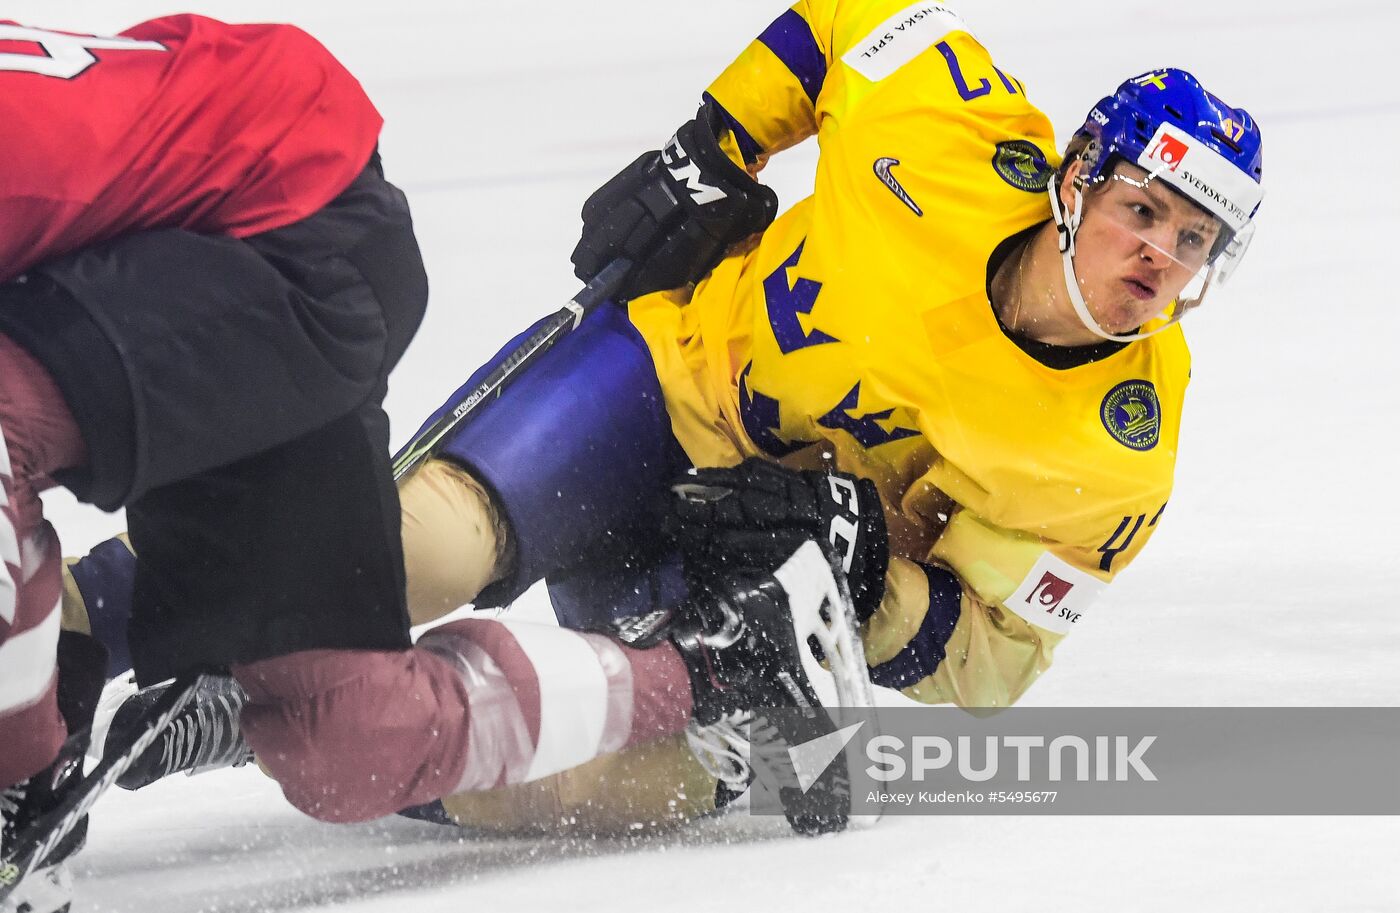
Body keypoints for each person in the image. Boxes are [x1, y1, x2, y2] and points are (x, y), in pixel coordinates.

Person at [71, 0, 1263, 836]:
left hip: (740, 591)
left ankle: (245, 722)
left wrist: (870, 585)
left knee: (582, 771)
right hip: (658, 382)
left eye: (1192, 239)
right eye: (1142, 211)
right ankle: (58, 637)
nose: (1157, 259)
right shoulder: (951, 132)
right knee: (398, 550)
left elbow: (993, 660)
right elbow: (845, 18)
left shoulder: (1116, 450)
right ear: (1075, 179)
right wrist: (715, 145)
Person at [1, 15, 842, 912]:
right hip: (202, 226)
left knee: (412, 570)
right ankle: (727, 660)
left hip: (290, 219)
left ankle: (39, 762)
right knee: (345, 744)